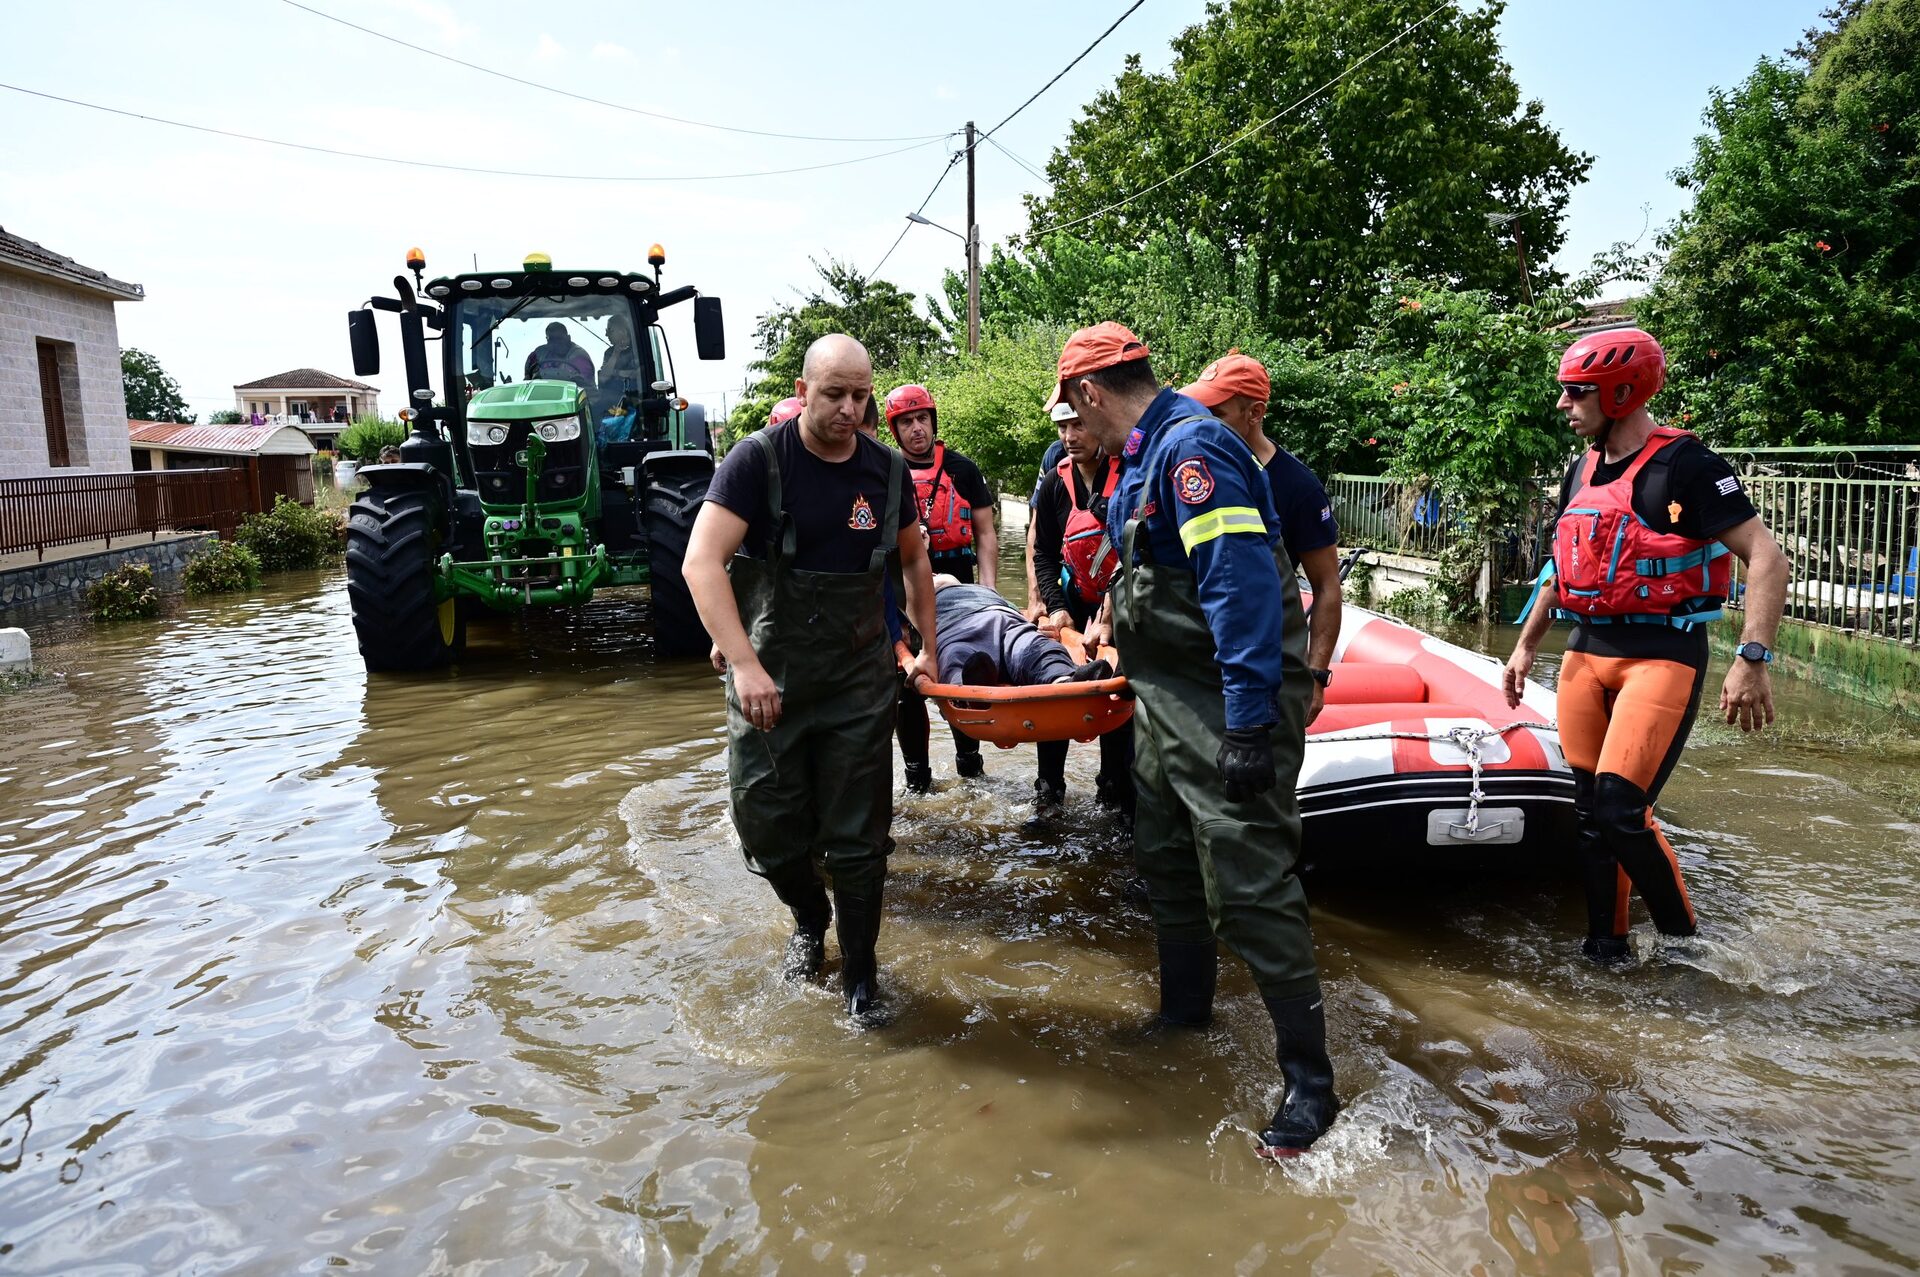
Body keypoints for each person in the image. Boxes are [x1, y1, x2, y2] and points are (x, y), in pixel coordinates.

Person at [1057, 321, 1336, 1158]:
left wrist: (1251, 722)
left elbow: (1242, 591)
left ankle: (1312, 1086)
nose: (1075, 430)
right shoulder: (1139, 460)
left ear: (1090, 393)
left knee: (1249, 882)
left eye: (1073, 411)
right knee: (1169, 861)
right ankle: (1185, 1015)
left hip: (1225, 703)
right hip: (1163, 701)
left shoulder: (1193, 453)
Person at [1503, 327, 1789, 966]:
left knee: (1621, 809)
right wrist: (1524, 648)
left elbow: (1767, 557)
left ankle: (1690, 946)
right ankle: (1607, 948)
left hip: (1662, 653)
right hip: (1585, 651)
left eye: (1576, 393)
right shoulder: (1580, 467)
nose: (1563, 405)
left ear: (1621, 392)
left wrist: (1753, 658)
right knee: (1588, 814)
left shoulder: (1687, 465)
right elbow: (1564, 564)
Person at [684, 334, 939, 1024]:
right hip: (771, 680)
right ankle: (806, 917)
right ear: (803, 390)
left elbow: (915, 562)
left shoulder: (886, 474)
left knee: (860, 844)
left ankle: (861, 974)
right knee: (765, 829)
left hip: (859, 685)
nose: (851, 409)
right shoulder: (757, 462)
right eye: (835, 394)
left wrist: (927, 650)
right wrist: (741, 660)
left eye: (862, 396)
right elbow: (701, 562)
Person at [1179, 351, 1343, 724]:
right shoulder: (1191, 472)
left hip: (1265, 656)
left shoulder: (1299, 488)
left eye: (1216, 413)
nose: (1201, 421)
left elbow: (1327, 586)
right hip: (1197, 655)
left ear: (1254, 414)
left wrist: (1315, 678)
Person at [884, 384, 995, 791]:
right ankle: (918, 778)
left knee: (961, 674)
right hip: (904, 596)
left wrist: (989, 593)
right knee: (907, 688)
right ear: (895, 430)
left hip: (958, 589)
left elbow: (985, 533)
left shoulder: (962, 469)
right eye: (907, 422)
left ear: (933, 421)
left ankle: (970, 763)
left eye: (922, 419)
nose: (917, 428)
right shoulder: (885, 470)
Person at [1029, 398, 1134, 814]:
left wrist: (1109, 616)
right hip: (1074, 602)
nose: (1070, 437)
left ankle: (1113, 789)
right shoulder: (1056, 483)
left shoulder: (1127, 476)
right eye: (1062, 429)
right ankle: (1048, 790)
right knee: (1056, 688)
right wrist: (1056, 607)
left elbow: (1133, 553)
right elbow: (1044, 554)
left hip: (1121, 604)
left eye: (1079, 427)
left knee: (1117, 695)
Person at [930, 575, 1112, 687]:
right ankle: (969, 688)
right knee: (956, 655)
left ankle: (1064, 680)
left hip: (1006, 620)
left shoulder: (984, 591)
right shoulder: (922, 601)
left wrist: (1044, 634)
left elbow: (1025, 617)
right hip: (957, 629)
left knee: (1035, 647)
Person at [524, 321, 595, 387]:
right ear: (547, 340)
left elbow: (585, 388)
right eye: (552, 339)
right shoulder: (537, 355)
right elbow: (526, 382)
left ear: (568, 338)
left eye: (559, 338)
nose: (556, 343)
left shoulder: (580, 358)